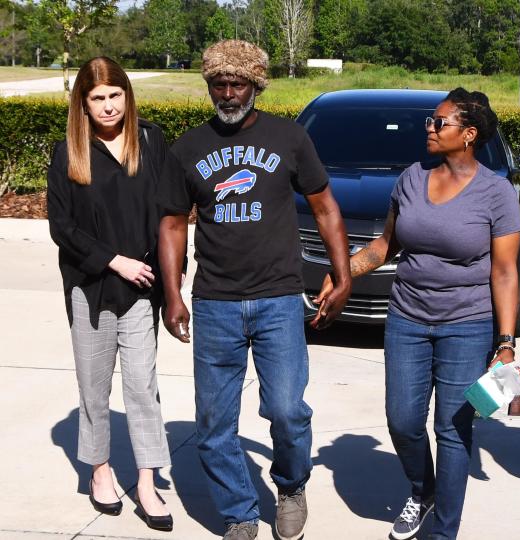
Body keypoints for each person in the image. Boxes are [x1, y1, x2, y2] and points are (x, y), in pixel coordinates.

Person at [156, 40, 352, 540]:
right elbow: (175, 223)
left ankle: (290, 485)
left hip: (279, 298)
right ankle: (240, 512)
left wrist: (344, 272)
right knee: (214, 423)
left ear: (255, 85)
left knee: (287, 410)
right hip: (215, 301)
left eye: (237, 83)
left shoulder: (289, 137)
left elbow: (325, 206)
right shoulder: (188, 147)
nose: (227, 92)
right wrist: (173, 292)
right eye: (218, 83)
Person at [317, 88, 520, 540]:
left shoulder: (496, 192)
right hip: (408, 317)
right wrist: (342, 274)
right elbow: (385, 246)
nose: (429, 128)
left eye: (439, 123)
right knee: (403, 420)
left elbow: (505, 273)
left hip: (467, 324)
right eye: (431, 121)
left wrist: (505, 343)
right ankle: (422, 490)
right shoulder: (412, 177)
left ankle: (444, 531)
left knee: (452, 428)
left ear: (468, 135)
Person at [47, 56, 174, 532]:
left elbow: (170, 212)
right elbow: (62, 226)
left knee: (143, 387)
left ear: (128, 95)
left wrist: (167, 276)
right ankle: (99, 471)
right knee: (94, 389)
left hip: (142, 288)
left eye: (114, 95)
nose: (107, 106)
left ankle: (146, 480)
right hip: (90, 286)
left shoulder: (151, 141)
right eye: (97, 98)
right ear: (83, 103)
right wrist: (111, 259)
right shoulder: (68, 153)